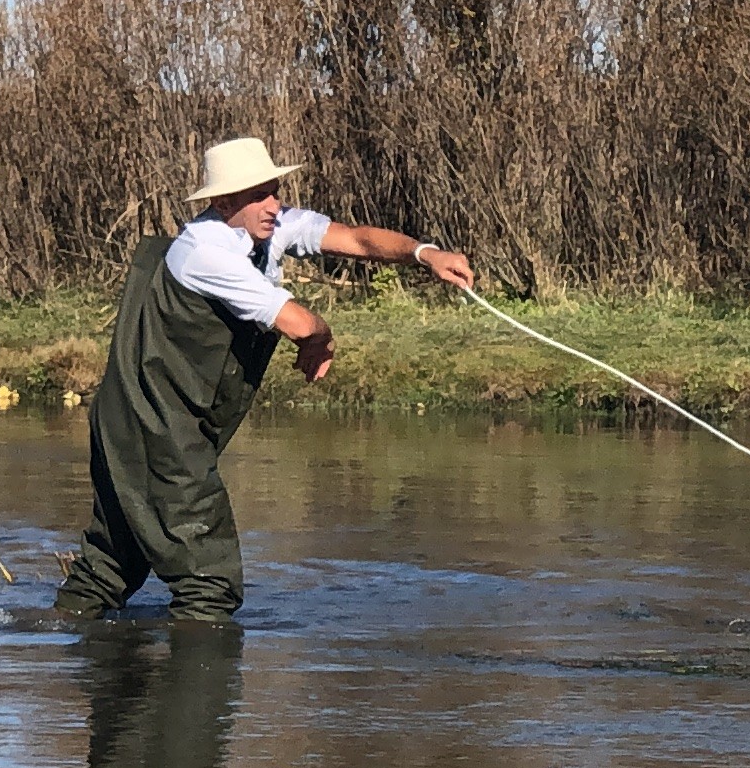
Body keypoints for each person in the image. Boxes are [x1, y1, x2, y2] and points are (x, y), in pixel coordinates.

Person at [53, 136, 480, 620]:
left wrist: (426, 254)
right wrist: (322, 337)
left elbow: (358, 240)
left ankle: (66, 651)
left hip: (159, 424)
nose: (274, 205)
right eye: (260, 195)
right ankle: (193, 687)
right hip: (153, 428)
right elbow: (297, 323)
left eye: (274, 191)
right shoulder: (205, 253)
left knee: (109, 568)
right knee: (209, 587)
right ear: (222, 202)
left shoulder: (268, 227)